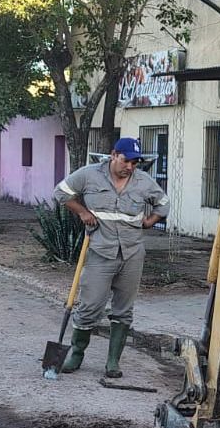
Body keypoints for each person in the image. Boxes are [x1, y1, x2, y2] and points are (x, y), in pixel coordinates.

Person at [53, 137, 168, 377]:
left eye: (135, 163)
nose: (130, 167)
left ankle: (113, 362)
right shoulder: (89, 175)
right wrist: (83, 212)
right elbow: (61, 192)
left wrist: (150, 221)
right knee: (89, 306)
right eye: (127, 161)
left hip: (132, 253)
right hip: (100, 251)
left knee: (123, 310)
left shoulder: (143, 182)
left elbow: (163, 203)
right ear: (113, 155)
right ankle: (76, 354)